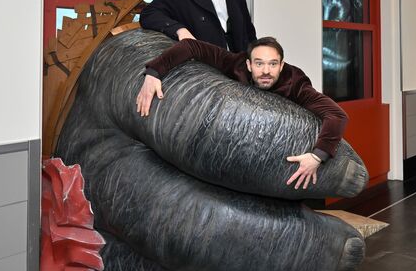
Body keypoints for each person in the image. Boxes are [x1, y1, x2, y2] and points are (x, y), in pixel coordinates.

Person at [135, 36, 348, 190]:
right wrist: (154, 72)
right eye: (259, 64)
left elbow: (337, 115)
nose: (266, 71)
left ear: (282, 65)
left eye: (273, 64)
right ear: (248, 64)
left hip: (281, 156)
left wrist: (317, 156)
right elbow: (191, 46)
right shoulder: (235, 64)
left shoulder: (296, 84)